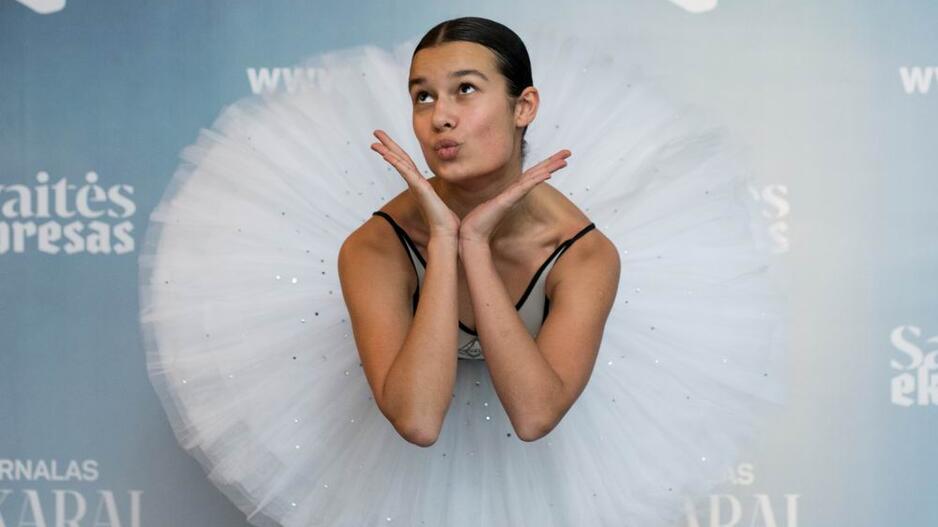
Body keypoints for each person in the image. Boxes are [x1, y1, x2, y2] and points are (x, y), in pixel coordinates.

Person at [139, 16, 788, 527]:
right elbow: (417, 421)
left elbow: (534, 416)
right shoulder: (374, 246)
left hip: (543, 454)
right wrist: (447, 242)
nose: (439, 116)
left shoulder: (584, 253)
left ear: (524, 106)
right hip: (403, 459)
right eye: (422, 96)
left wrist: (474, 244)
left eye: (465, 90)